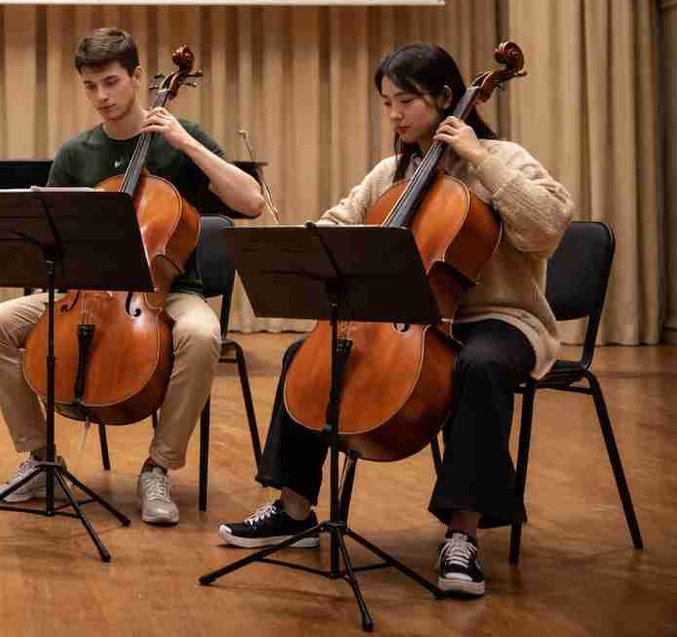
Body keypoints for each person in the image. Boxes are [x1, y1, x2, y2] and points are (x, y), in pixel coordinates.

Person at [216, 42, 573, 598]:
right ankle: (293, 507)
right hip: (408, 316)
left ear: (446, 97)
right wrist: (314, 240)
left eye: (406, 101)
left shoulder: (504, 158)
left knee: (479, 367)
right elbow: (341, 221)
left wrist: (479, 158)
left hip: (498, 318)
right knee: (304, 355)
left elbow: (547, 226)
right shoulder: (392, 172)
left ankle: (463, 533)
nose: (395, 115)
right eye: (387, 103)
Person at [0, 28, 265, 526]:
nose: (101, 97)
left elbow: (252, 202)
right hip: (85, 291)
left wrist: (186, 143)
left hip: (168, 291)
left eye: (111, 82)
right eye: (90, 86)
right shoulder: (76, 154)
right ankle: (40, 459)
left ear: (137, 76)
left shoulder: (182, 138)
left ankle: (158, 467)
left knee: (201, 335)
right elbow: (53, 237)